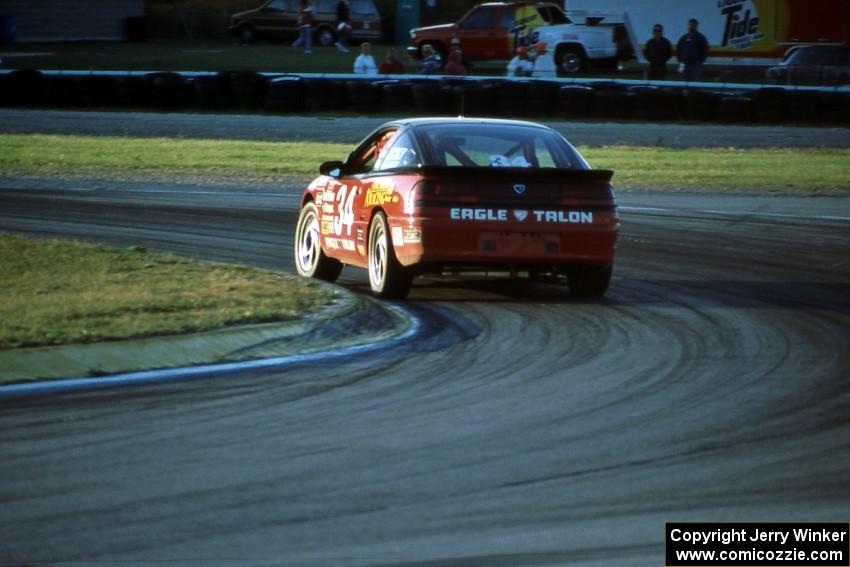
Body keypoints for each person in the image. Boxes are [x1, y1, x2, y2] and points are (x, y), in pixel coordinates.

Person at [676, 18, 709, 82]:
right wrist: (680, 60)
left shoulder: (701, 38)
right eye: (690, 25)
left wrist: (699, 61)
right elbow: (678, 49)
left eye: (693, 25)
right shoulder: (684, 37)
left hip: (695, 65)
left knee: (693, 82)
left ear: (696, 26)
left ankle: (693, 92)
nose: (691, 26)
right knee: (682, 82)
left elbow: (705, 51)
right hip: (684, 64)